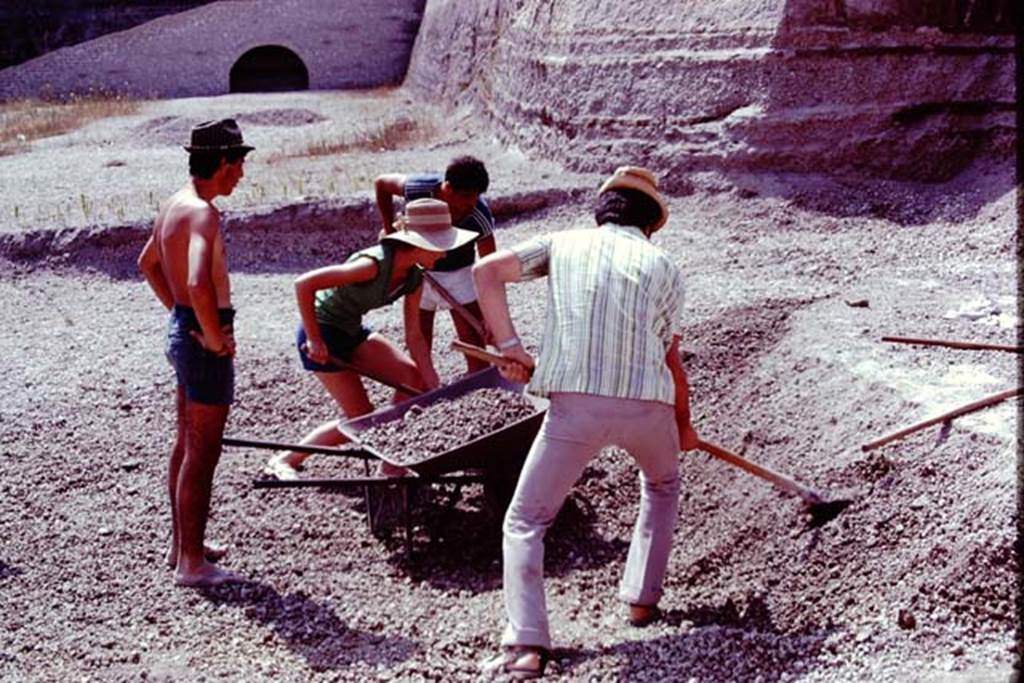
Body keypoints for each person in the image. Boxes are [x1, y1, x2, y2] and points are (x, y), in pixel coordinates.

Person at [472, 166, 699, 678]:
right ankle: (641, 601)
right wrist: (683, 423)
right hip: (649, 405)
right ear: (651, 225)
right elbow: (670, 357)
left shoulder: (563, 243)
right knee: (662, 485)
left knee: (527, 521)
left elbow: (485, 274)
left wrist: (509, 348)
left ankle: (527, 647)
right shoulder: (665, 266)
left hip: (576, 406)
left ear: (600, 213)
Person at [263, 198, 477, 480]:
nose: (445, 253)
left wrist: (434, 388)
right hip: (321, 331)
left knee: (412, 378)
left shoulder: (414, 277)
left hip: (351, 329)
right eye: (441, 245)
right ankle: (286, 459)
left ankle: (389, 463)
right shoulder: (372, 265)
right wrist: (315, 339)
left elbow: (415, 337)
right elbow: (304, 284)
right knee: (362, 420)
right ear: (420, 243)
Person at [137, 118, 252, 587]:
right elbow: (196, 280)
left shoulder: (173, 204)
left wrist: (183, 318)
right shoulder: (203, 214)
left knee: (186, 442)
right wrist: (210, 333)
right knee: (203, 451)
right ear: (223, 163)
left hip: (184, 328)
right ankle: (192, 565)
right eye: (239, 164)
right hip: (200, 337)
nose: (241, 175)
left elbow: (148, 264)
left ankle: (182, 545)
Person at [374, 156, 495, 373]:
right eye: (466, 197)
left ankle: (480, 386)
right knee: (419, 339)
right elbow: (382, 183)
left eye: (477, 197)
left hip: (459, 274)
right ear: (447, 188)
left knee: (476, 349)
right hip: (419, 272)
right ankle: (423, 387)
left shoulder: (479, 216)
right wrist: (388, 228)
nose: (472, 204)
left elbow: (489, 266)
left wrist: (490, 314)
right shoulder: (418, 189)